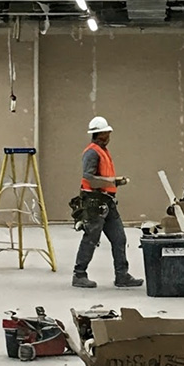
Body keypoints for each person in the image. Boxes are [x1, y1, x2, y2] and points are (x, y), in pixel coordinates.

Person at [72, 116, 144, 289]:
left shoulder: (102, 150)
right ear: (100, 134)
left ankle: (122, 275)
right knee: (91, 238)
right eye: (106, 133)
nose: (109, 135)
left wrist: (113, 182)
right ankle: (79, 275)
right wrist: (112, 181)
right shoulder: (92, 153)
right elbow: (89, 178)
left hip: (107, 201)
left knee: (119, 238)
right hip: (94, 202)